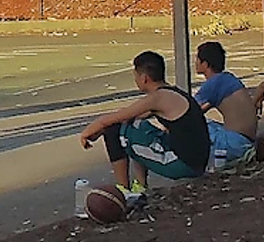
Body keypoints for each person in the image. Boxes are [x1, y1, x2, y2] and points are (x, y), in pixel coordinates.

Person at [80, 51, 209, 201]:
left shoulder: (158, 98)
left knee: (114, 130)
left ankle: (124, 190)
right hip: (195, 160)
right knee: (135, 126)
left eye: (135, 77)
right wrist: (100, 130)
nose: (135, 80)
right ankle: (140, 185)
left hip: (185, 164)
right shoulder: (172, 93)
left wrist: (87, 133)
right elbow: (130, 117)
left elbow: (111, 119)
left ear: (144, 78)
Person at [194, 41, 257, 164]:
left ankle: (195, 164)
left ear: (205, 64)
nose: (195, 62)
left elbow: (187, 111)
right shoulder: (228, 78)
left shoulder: (212, 84)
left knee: (193, 126)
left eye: (197, 59)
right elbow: (204, 108)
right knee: (208, 123)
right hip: (247, 140)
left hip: (234, 142)